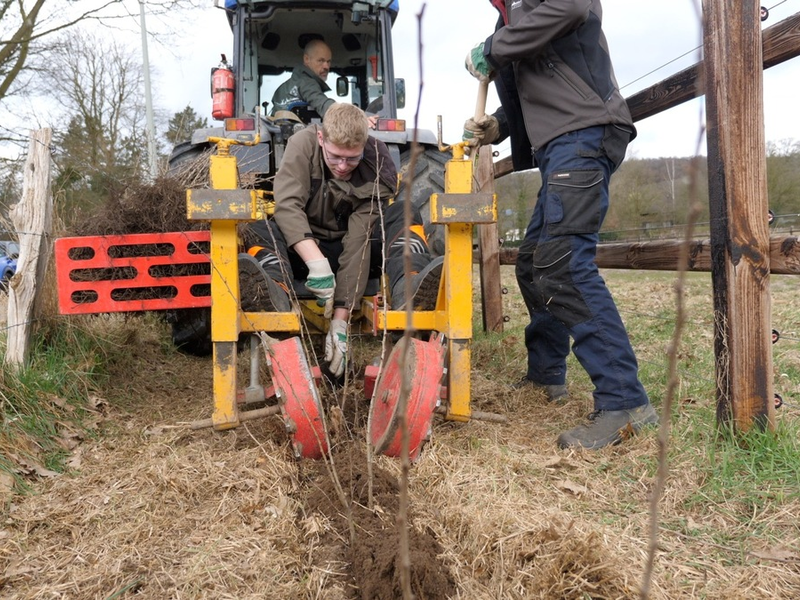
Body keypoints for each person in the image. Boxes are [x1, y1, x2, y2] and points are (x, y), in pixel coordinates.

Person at [464, 0, 657, 450]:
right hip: (560, 144)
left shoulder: (529, 11)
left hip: (583, 134)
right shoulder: (508, 15)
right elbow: (535, 86)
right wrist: (497, 126)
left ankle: (624, 400)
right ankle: (545, 375)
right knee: (533, 263)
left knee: (564, 264)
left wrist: (493, 48)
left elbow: (571, 7)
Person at [240, 103, 442, 378]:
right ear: (321, 138)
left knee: (402, 214)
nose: (343, 166)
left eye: (352, 158)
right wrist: (316, 262)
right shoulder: (302, 145)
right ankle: (272, 292)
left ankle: (410, 286)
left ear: (364, 145)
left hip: (357, 251)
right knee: (258, 227)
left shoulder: (376, 163)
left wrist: (340, 320)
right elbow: (287, 207)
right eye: (335, 157)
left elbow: (358, 240)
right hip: (302, 252)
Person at [271, 39, 335, 120]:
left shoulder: (281, 90)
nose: (326, 66)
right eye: (321, 60)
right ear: (306, 59)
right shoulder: (307, 83)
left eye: (328, 61)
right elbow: (322, 105)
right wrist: (344, 113)